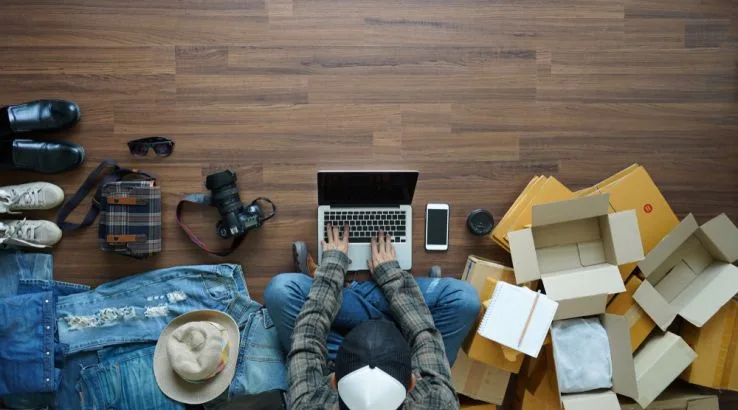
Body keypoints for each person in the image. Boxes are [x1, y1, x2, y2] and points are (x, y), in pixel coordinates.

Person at [264, 224, 481, 409]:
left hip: (338, 355)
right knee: (464, 300)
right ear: (413, 383)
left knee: (281, 291)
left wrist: (332, 268)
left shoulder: (310, 404)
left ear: (333, 381)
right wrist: (392, 275)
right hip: (399, 346)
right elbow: (425, 335)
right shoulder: (435, 402)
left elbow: (307, 338)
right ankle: (386, 300)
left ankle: (345, 290)